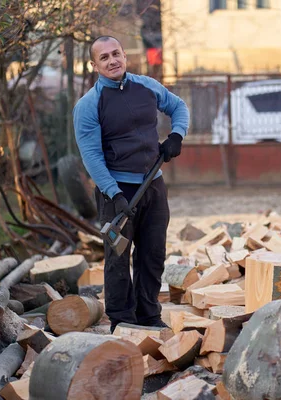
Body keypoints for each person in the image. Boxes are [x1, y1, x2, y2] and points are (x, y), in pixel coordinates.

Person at [73, 36, 189, 332]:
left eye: (116, 54)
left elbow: (179, 107)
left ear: (125, 56)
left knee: (152, 254)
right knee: (118, 259)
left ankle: (149, 314)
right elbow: (92, 157)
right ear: (94, 65)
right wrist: (114, 194)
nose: (112, 61)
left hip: (153, 184)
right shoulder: (89, 105)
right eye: (104, 57)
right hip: (117, 191)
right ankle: (122, 320)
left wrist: (176, 135)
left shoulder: (147, 86)